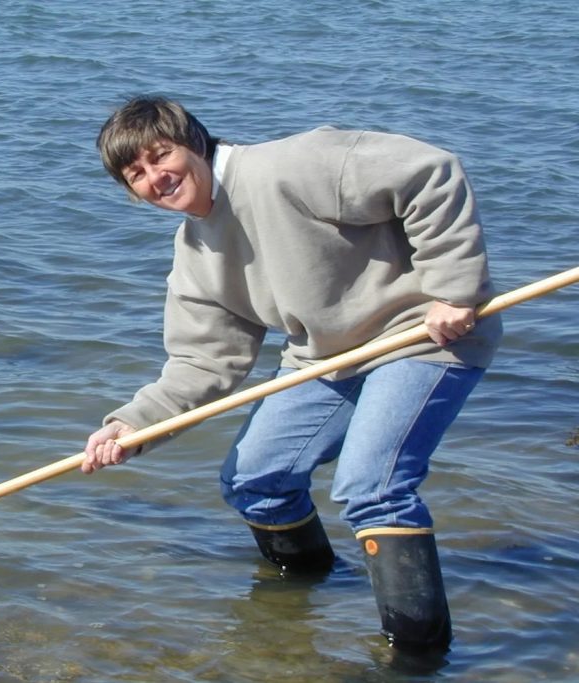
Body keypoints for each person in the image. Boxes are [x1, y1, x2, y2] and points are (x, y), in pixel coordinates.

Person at [81, 95, 502, 653]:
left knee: (370, 485)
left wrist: (454, 288)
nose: (155, 178)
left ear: (195, 143)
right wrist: (134, 424)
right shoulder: (195, 254)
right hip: (328, 360)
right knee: (255, 480)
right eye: (136, 174)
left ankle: (418, 654)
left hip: (423, 337)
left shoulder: (288, 166)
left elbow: (429, 172)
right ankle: (303, 604)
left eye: (162, 157)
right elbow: (203, 361)